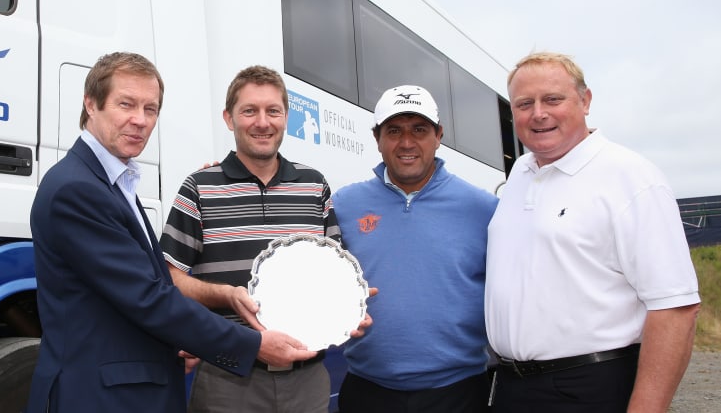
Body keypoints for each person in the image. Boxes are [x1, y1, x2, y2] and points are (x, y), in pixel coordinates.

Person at [26, 53, 316, 413]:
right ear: (91, 103)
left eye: (151, 109)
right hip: (99, 395)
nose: (140, 120)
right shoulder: (78, 189)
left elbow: (146, 289)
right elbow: (147, 297)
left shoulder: (111, 182)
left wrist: (183, 338)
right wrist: (250, 344)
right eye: (126, 104)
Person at [485, 51, 700, 413]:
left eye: (553, 99)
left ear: (585, 101)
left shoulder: (631, 178)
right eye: (525, 103)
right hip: (510, 387)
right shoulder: (521, 172)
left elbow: (675, 308)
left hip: (590, 389)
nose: (539, 113)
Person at [160, 65, 355, 413]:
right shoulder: (198, 188)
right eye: (249, 111)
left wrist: (350, 306)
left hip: (307, 381)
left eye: (273, 111)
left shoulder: (314, 186)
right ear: (229, 118)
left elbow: (334, 273)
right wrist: (225, 296)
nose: (262, 122)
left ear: (286, 118)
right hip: (227, 379)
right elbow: (168, 277)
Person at [331, 85, 498, 413]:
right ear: (377, 138)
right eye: (394, 131)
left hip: (459, 393)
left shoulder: (484, 208)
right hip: (368, 391)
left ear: (438, 135)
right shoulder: (343, 205)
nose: (406, 143)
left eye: (419, 130)